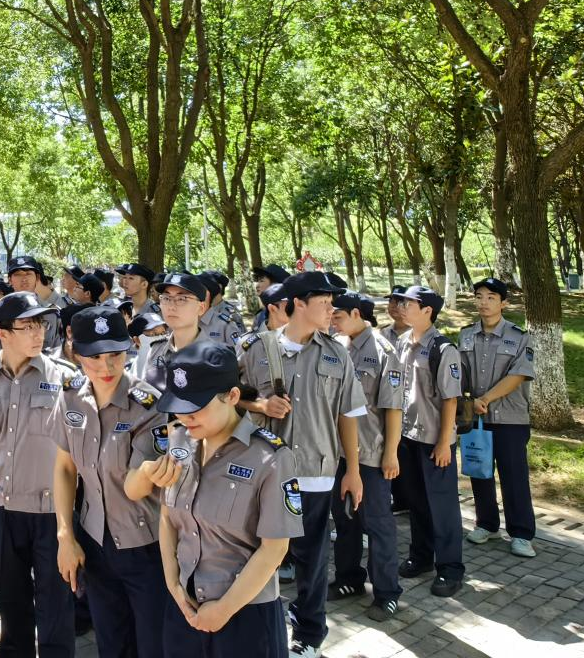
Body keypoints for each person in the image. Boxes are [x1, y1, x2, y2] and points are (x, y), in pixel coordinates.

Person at [235, 271, 366, 658]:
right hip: (261, 471)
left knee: (312, 556)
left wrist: (353, 471)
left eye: (332, 303)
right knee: (258, 552)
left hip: (314, 472)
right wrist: (260, 404)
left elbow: (348, 414)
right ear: (299, 304)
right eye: (324, 303)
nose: (331, 310)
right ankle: (258, 624)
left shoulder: (337, 353)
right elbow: (230, 396)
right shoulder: (255, 348)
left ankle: (309, 631)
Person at [157, 342, 303, 657]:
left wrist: (223, 609)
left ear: (232, 396)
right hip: (183, 608)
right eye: (179, 406)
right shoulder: (180, 440)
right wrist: (173, 585)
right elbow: (168, 517)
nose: (185, 416)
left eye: (196, 406)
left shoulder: (271, 457)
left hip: (245, 615)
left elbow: (275, 548)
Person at [0, 291, 78, 658]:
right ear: (2, 333)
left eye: (40, 324)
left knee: (56, 605)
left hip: (52, 512)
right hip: (2, 509)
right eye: (27, 326)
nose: (38, 333)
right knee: (11, 602)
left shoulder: (66, 379)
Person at [52, 306, 173, 658]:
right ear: (76, 353)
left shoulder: (147, 405)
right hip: (95, 542)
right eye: (94, 357)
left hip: (145, 545)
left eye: (115, 355)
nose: (106, 367)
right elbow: (64, 468)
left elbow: (138, 486)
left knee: (153, 645)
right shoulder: (70, 396)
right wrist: (65, 535)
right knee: (111, 643)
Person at [327, 291, 404, 621]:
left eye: (338, 315)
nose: (332, 320)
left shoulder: (384, 352)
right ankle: (349, 578)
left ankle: (386, 592)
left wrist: (391, 454)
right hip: (338, 452)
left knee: (377, 523)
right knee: (344, 519)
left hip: (371, 454)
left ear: (356, 314)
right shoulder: (336, 347)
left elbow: (394, 408)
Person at [392, 285, 465, 597]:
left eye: (410, 304)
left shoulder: (443, 349)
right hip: (408, 436)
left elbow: (450, 400)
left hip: (435, 439)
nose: (402, 307)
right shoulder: (402, 343)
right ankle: (421, 556)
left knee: (442, 506)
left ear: (427, 311)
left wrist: (445, 443)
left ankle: (450, 568)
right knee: (417, 502)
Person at [462, 277, 537, 558]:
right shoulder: (466, 335)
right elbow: (460, 374)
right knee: (479, 470)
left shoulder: (519, 337)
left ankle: (521, 534)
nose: (484, 302)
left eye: (491, 297)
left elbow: (518, 375)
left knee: (513, 476)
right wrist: (468, 402)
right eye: (479, 296)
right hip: (476, 416)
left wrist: (485, 399)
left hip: (510, 418)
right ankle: (486, 524)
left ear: (504, 303)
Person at [144, 273, 212, 391]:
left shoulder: (215, 357)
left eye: (182, 299)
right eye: (166, 298)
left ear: (201, 308)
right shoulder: (156, 350)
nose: (171, 306)